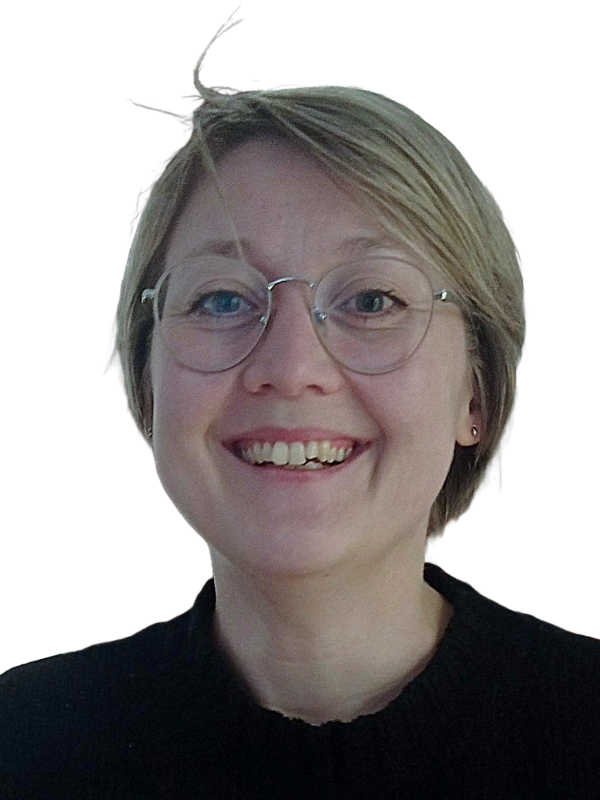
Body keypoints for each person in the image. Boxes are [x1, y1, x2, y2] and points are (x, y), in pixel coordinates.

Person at [1, 5, 598, 799]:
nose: (290, 368)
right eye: (221, 300)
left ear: (478, 394)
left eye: (373, 301)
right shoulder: (22, 743)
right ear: (144, 373)